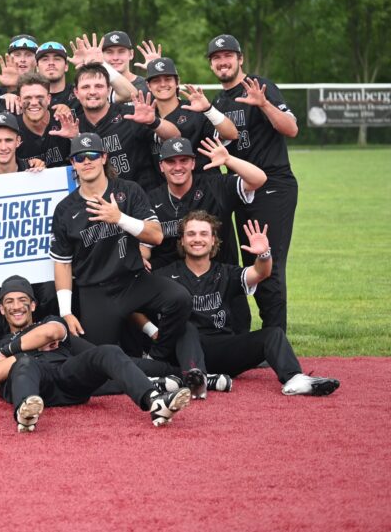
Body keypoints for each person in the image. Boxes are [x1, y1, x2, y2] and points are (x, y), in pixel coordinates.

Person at [50, 133, 193, 367]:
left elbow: (156, 235)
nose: (87, 161)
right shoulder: (65, 209)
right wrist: (66, 312)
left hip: (133, 281)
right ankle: (155, 372)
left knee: (180, 299)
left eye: (93, 155)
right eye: (79, 157)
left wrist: (119, 218)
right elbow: (62, 262)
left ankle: (157, 356)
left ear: (104, 158)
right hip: (96, 291)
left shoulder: (128, 190)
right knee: (99, 363)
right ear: (72, 163)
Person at [0, 276, 192, 432]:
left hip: (67, 376)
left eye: (22, 300)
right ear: (1, 309)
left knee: (108, 351)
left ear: (33, 305)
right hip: (34, 385)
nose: (17, 306)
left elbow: (51, 332)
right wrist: (28, 351)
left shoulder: (48, 321)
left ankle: (156, 401)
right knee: (25, 364)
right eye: (9, 302)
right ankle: (25, 414)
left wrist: (9, 352)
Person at [161, 211, 339, 396]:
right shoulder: (165, 275)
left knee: (274, 334)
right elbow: (142, 300)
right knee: (185, 326)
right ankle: (197, 382)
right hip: (185, 350)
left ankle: (295, 379)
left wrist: (264, 254)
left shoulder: (226, 272)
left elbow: (260, 273)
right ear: (181, 240)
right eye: (191, 234)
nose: (197, 239)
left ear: (213, 240)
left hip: (223, 349)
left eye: (204, 234)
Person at [208, 34, 299, 331]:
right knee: (251, 263)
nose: (223, 62)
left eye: (228, 56)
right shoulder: (219, 101)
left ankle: (275, 340)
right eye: (217, 58)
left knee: (268, 262)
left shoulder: (260, 87)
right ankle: (261, 338)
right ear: (212, 64)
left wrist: (264, 105)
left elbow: (291, 128)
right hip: (241, 188)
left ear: (240, 58)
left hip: (272, 184)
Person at [143, 137, 266, 288]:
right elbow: (145, 244)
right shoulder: (150, 199)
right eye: (171, 162)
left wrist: (228, 159)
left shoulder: (214, 186)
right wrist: (140, 258)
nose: (178, 167)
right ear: (161, 166)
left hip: (220, 282)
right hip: (172, 284)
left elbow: (259, 179)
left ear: (193, 163)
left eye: (184, 160)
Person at [71, 54, 180, 191]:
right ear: (76, 92)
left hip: (142, 199)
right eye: (86, 87)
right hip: (100, 203)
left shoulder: (131, 114)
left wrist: (154, 121)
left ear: (109, 90)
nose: (92, 92)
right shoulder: (74, 126)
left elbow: (175, 138)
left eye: (98, 86)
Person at [144, 57, 238, 178]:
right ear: (148, 85)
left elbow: (232, 134)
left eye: (168, 79)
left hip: (204, 186)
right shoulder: (145, 116)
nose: (163, 84)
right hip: (167, 192)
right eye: (156, 80)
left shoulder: (195, 109)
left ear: (177, 81)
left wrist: (208, 109)